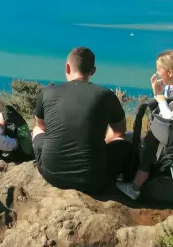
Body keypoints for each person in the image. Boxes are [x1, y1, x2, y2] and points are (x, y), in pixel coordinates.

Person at [32, 47, 132, 194]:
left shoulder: (48, 91)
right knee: (125, 138)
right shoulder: (106, 95)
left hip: (52, 175)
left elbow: (41, 126)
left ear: (67, 67)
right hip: (94, 181)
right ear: (93, 71)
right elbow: (120, 131)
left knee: (36, 130)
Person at [116, 50, 173, 200]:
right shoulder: (169, 86)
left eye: (159, 69)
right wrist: (157, 93)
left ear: (170, 72)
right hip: (166, 131)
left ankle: (135, 188)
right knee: (149, 143)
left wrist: (159, 98)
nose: (157, 73)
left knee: (148, 145)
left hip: (168, 131)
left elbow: (169, 117)